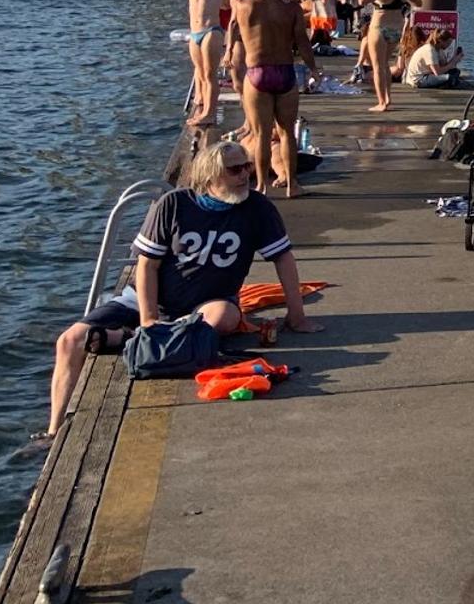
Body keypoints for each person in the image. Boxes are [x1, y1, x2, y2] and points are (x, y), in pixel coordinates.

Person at [43, 138, 322, 437]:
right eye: (234, 170)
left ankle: (123, 339)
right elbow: (147, 266)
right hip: (149, 299)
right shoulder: (173, 204)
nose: (245, 175)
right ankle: (53, 431)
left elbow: (283, 259)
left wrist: (297, 315)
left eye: (247, 167)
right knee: (69, 341)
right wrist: (149, 319)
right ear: (209, 176)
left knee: (224, 318)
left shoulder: (257, 208)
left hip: (207, 303)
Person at [231, 0, 321, 197]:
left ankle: (261, 186)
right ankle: (292, 185)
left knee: (261, 135)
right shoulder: (291, 9)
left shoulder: (243, 5)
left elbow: (233, 28)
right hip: (285, 72)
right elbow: (302, 42)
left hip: (257, 72)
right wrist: (313, 69)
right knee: (286, 133)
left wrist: (228, 53)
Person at [170, 0, 236, 128]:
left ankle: (210, 113)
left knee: (209, 74)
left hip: (211, 31)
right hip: (195, 33)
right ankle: (203, 105)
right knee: (199, 72)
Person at [357, 0, 421, 113]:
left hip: (379, 28)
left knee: (377, 67)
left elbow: (362, 1)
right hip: (396, 29)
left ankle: (381, 103)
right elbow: (419, 2)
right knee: (385, 64)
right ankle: (387, 98)